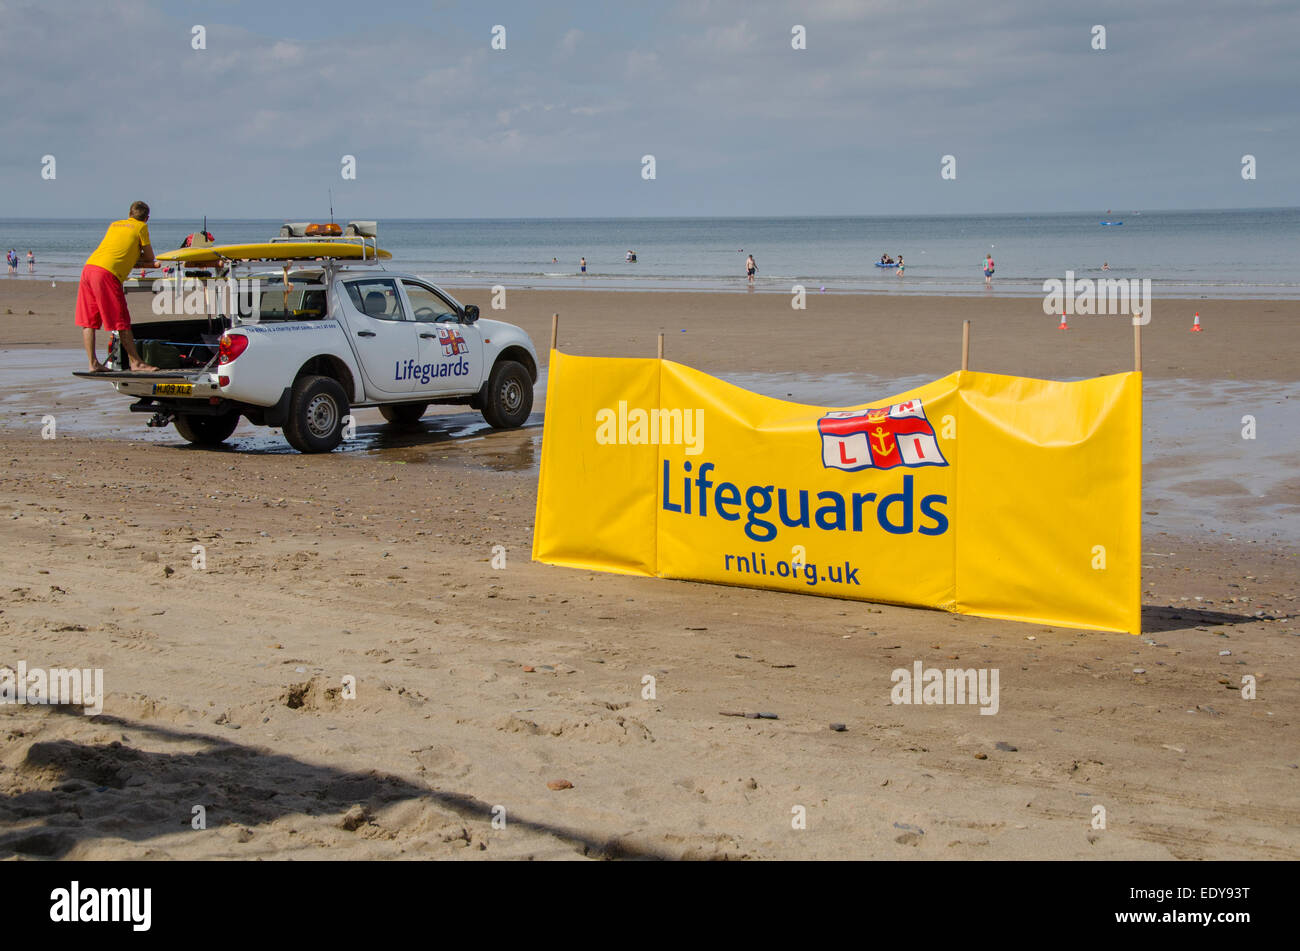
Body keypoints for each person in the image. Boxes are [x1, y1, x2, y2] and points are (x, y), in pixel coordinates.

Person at [75, 201, 159, 372]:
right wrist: (141, 259)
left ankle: (93, 364)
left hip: (89, 268)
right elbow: (150, 257)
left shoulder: (114, 224)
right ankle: (136, 363)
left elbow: (117, 248)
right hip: (106, 273)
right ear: (147, 218)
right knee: (121, 320)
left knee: (89, 322)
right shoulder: (141, 227)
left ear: (129, 214)